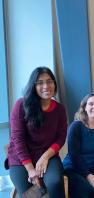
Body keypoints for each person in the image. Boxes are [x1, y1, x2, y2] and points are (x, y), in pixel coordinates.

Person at [7, 67, 67, 197]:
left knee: (55, 183)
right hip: (21, 159)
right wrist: (31, 170)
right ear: (33, 86)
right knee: (32, 193)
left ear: (54, 83)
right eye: (40, 83)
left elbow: (61, 137)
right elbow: (18, 140)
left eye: (49, 81)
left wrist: (45, 157)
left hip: (48, 156)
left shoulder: (60, 109)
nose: (46, 86)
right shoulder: (21, 105)